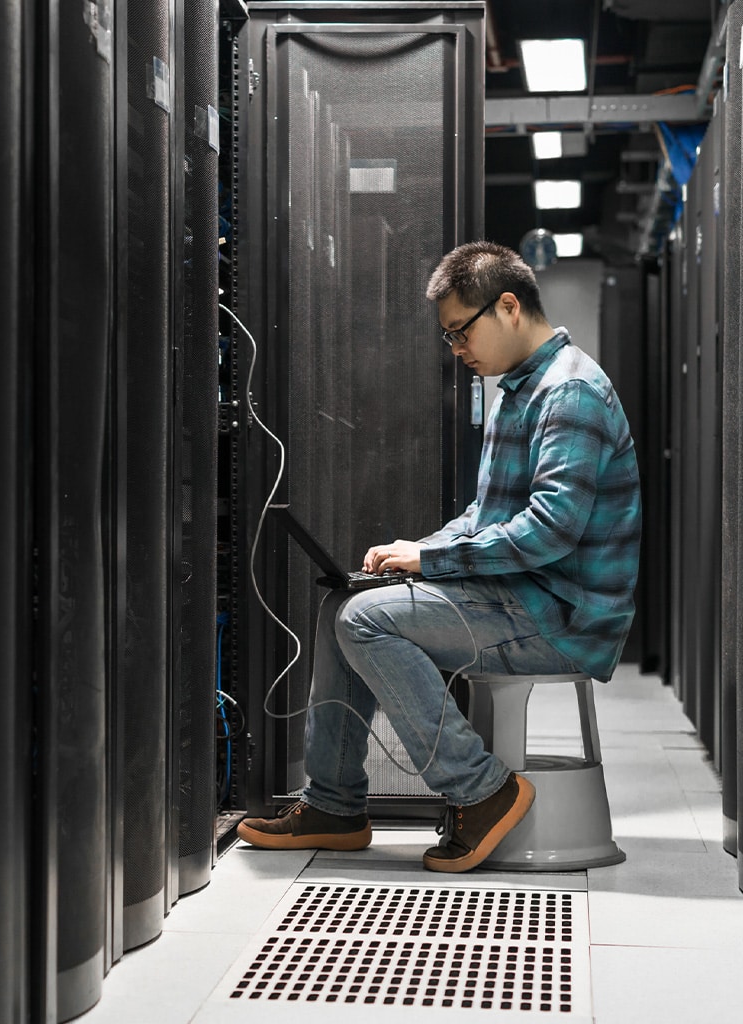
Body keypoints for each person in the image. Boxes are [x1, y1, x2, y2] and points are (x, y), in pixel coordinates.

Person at [237, 240, 642, 872]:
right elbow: (488, 517)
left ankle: (482, 791)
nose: (457, 352)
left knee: (366, 621)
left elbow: (550, 532)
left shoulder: (571, 395)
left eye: (460, 333)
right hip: (519, 597)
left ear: (508, 306)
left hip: (562, 616)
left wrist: (431, 566)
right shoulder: (519, 389)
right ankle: (335, 805)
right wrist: (419, 549)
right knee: (348, 601)